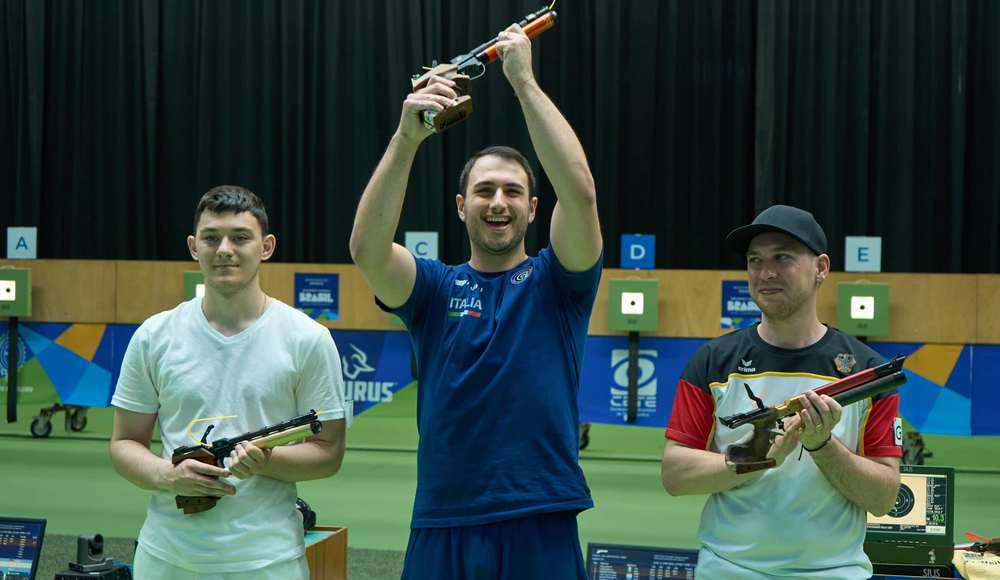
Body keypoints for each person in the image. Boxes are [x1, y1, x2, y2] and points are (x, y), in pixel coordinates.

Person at [350, 22, 602, 580]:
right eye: (485, 191)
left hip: (542, 514)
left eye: (513, 191)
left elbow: (579, 191)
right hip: (444, 518)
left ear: (534, 209)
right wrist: (406, 138)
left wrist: (523, 82)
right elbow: (367, 249)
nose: (499, 202)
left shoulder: (560, 284)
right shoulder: (434, 290)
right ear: (461, 206)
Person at [109, 186, 347, 579]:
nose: (224, 249)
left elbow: (329, 452)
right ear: (193, 246)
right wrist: (170, 476)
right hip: (166, 558)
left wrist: (267, 461)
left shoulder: (308, 338)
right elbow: (124, 443)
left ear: (266, 247)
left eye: (240, 237)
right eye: (211, 237)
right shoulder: (154, 335)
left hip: (269, 561)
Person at [660, 204, 902, 579]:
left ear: (821, 268)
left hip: (835, 572)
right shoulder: (711, 363)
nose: (765, 272)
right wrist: (758, 458)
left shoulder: (867, 373)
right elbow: (675, 475)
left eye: (783, 258)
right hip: (728, 570)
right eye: (755, 260)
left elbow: (884, 498)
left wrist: (823, 446)